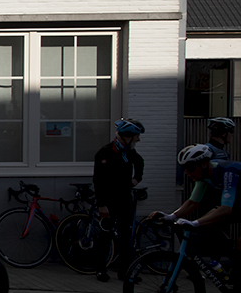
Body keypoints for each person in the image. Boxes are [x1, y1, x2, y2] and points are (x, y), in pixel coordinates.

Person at [150, 144, 241, 273]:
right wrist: (171, 216)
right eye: (184, 169)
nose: (187, 173)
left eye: (190, 168)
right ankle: (228, 256)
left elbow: (226, 208)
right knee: (210, 219)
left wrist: (194, 223)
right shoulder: (203, 175)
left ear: (203, 164)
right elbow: (193, 202)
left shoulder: (228, 172)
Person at [92, 119, 145, 282]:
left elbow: (140, 162)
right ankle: (100, 270)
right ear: (126, 136)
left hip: (125, 200)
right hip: (109, 201)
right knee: (105, 236)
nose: (138, 140)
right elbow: (98, 180)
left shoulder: (129, 152)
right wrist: (102, 205)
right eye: (136, 137)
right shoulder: (105, 152)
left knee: (126, 237)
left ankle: (124, 272)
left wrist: (136, 179)